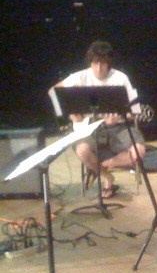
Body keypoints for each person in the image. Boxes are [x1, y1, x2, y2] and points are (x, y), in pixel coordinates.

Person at [55, 40, 145, 199]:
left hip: (118, 128)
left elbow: (134, 112)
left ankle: (100, 166)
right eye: (95, 63)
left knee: (139, 152)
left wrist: (120, 115)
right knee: (82, 150)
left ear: (109, 63)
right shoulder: (80, 77)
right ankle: (107, 177)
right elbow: (54, 90)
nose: (98, 68)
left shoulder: (120, 78)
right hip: (89, 128)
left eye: (103, 64)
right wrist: (69, 113)